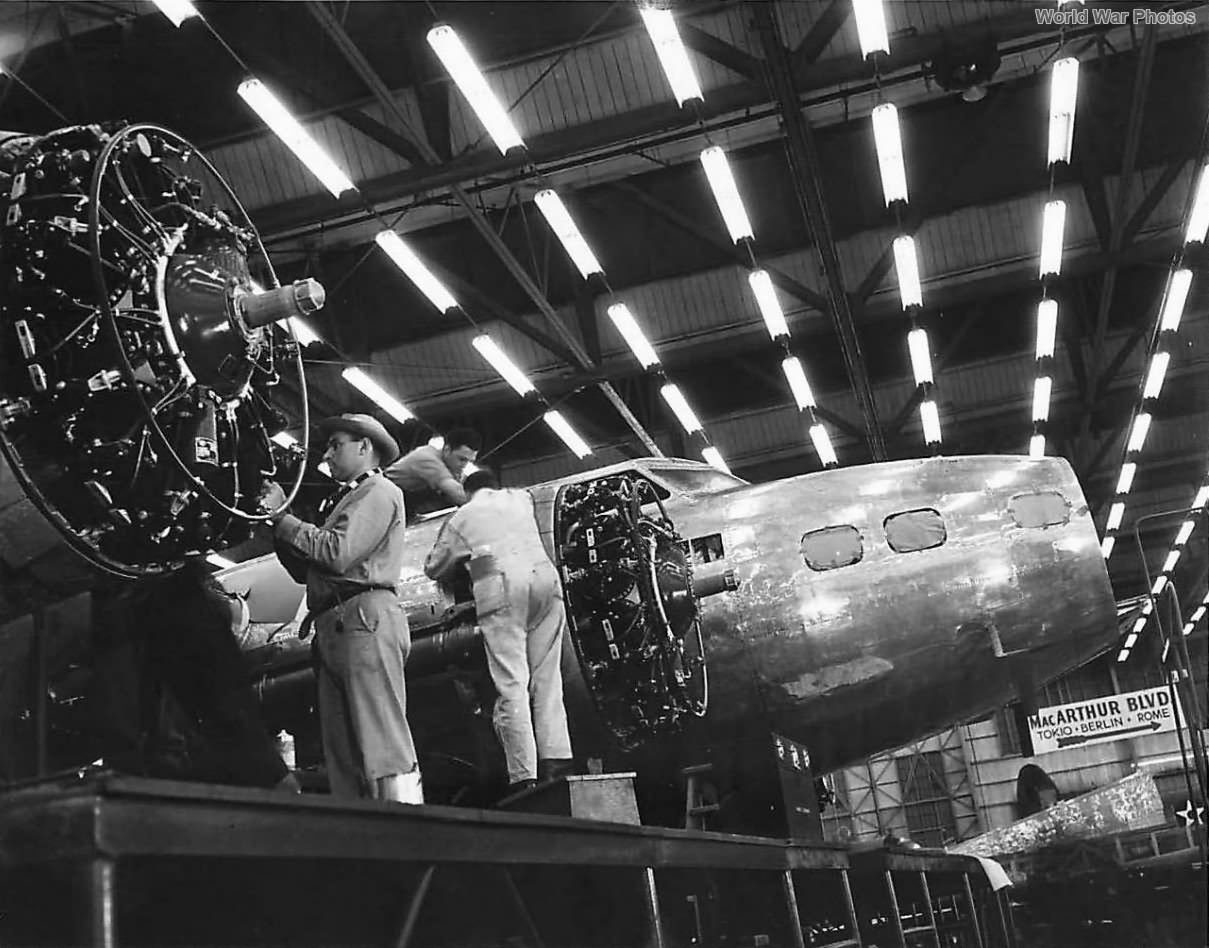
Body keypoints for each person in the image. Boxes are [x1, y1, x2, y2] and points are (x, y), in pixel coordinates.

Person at [259, 413, 421, 804]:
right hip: (339, 624)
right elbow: (307, 571)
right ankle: (363, 837)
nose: (328, 454)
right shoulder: (347, 500)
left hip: (362, 620)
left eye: (336, 444)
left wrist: (284, 519)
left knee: (381, 741)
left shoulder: (378, 492)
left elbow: (337, 552)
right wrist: (278, 526)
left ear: (365, 447)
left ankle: (407, 828)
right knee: (343, 750)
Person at [423, 470, 573, 794]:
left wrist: (469, 559)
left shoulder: (462, 516)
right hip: (546, 581)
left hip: (500, 586)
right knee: (548, 681)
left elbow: (434, 566)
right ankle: (557, 764)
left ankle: (524, 777)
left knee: (512, 684)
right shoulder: (521, 498)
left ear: (467, 492)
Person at [91, 560, 296, 791]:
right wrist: (272, 771)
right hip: (186, 772)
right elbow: (221, 693)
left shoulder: (107, 604)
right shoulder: (180, 599)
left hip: (134, 778)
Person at [385, 427, 481, 518]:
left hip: (402, 502)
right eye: (462, 459)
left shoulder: (454, 469)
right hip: (382, 493)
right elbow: (458, 495)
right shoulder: (428, 458)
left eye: (470, 461)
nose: (464, 465)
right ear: (447, 450)